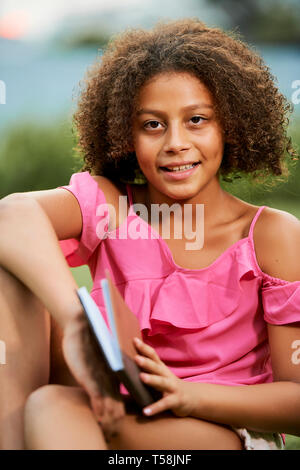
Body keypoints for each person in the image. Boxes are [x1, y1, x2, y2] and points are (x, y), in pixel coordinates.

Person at [0, 18, 299, 451]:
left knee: (55, 407)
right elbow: (10, 215)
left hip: (221, 426)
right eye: (153, 125)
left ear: (230, 126)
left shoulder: (270, 235)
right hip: (108, 411)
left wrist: (190, 396)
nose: (175, 142)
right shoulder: (111, 206)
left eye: (196, 120)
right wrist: (77, 324)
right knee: (13, 268)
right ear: (127, 135)